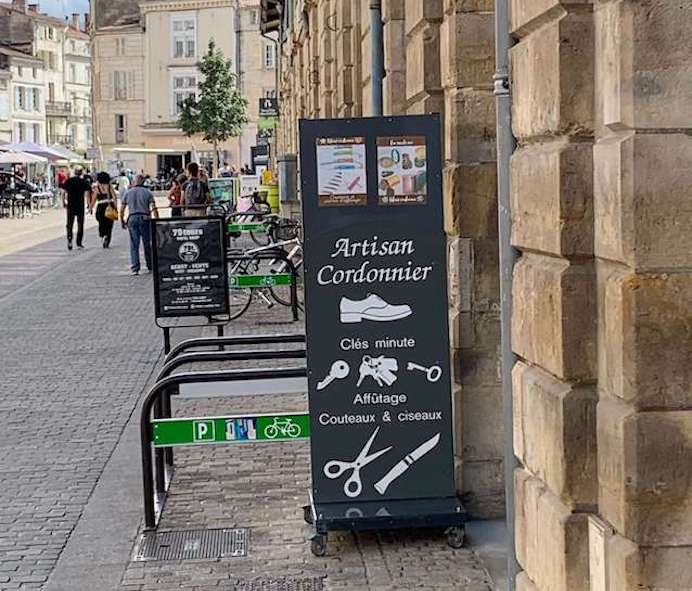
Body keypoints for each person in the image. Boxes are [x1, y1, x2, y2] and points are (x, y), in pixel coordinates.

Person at [119, 174, 158, 275]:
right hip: (145, 218)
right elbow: (153, 207)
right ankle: (150, 265)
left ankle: (135, 268)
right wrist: (156, 220)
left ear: (135, 182)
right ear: (143, 182)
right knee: (147, 243)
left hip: (132, 218)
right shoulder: (147, 192)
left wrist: (122, 220)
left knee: (134, 244)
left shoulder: (128, 193)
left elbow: (122, 208)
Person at [60, 166, 91, 250]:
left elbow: (63, 192)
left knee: (69, 224)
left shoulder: (69, 181)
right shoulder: (84, 182)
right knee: (80, 224)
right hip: (80, 205)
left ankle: (69, 240)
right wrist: (89, 205)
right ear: (81, 172)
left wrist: (63, 202)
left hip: (71, 205)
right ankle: (79, 242)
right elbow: (87, 194)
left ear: (74, 172)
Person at [93, 172, 118, 248]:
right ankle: (107, 237)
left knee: (101, 222)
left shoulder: (97, 188)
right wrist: (115, 207)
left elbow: (94, 198)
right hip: (109, 205)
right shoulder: (109, 186)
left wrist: (90, 207)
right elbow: (114, 197)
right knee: (109, 224)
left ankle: (103, 235)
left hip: (100, 206)